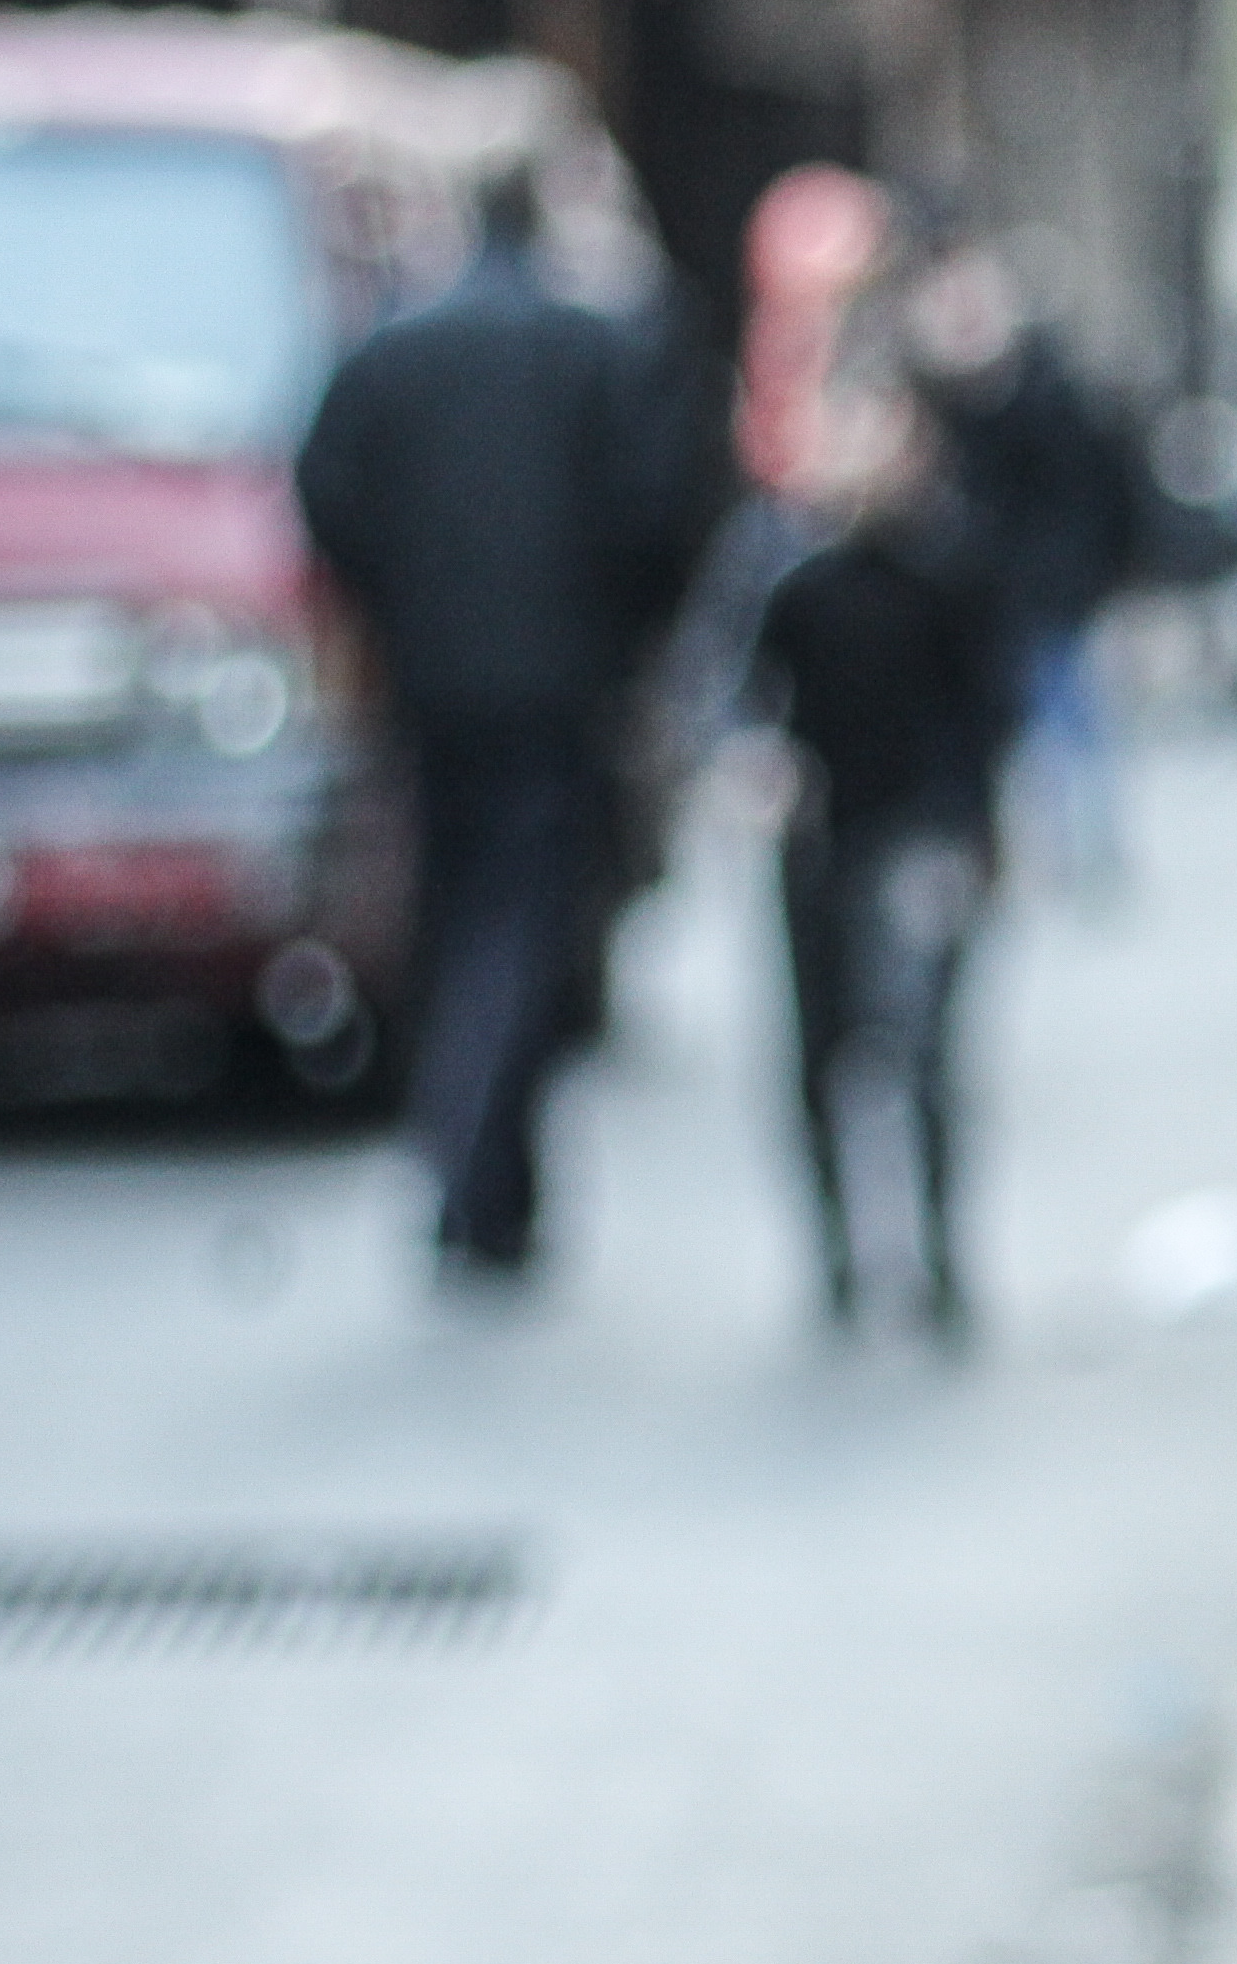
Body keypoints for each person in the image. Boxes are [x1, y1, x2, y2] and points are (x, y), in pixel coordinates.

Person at [294, 160, 683, 1278]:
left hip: (436, 682)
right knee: (516, 926)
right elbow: (652, 509)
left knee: (462, 912)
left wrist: (399, 602)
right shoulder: (587, 348)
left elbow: (326, 492)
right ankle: (470, 1152)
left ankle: (491, 1181)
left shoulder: (395, 352)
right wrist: (615, 636)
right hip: (555, 688)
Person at [742, 368, 1022, 1340]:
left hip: (918, 838)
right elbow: (751, 699)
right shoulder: (790, 571)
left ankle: (939, 1255)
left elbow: (988, 714)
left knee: (922, 1053)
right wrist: (765, 774)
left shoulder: (954, 568)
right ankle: (839, 1259)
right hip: (824, 839)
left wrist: (977, 836)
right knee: (820, 1057)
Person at [902, 231, 1141, 893]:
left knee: (1070, 721)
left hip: (1053, 592)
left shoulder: (1050, 391)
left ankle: (1084, 852)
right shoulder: (958, 394)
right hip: (997, 594)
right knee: (1030, 723)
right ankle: (1048, 849)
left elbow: (1101, 491)